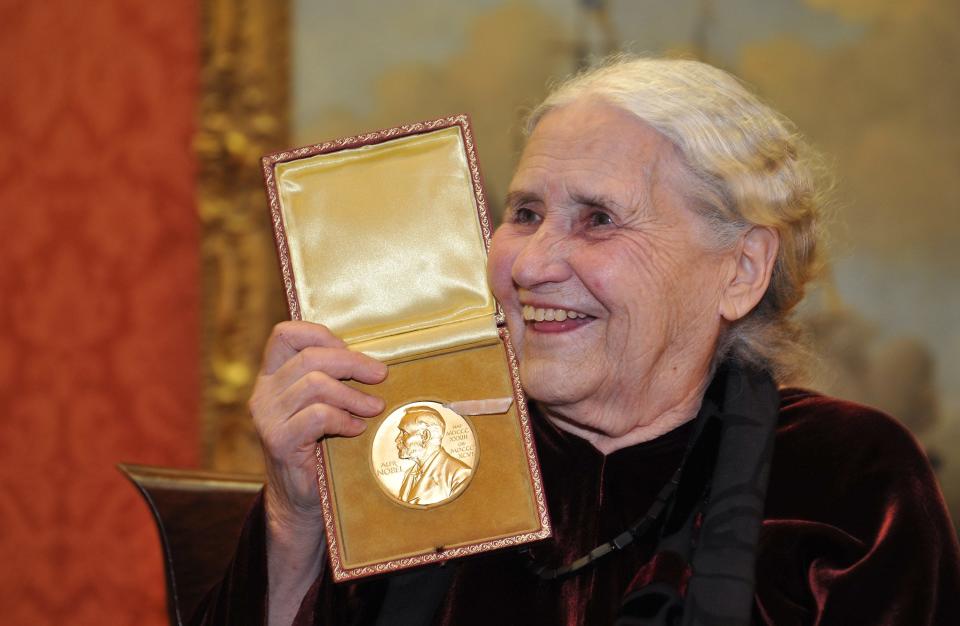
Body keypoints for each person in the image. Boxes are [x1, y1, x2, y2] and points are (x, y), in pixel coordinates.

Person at [192, 57, 960, 625]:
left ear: (741, 269)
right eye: (524, 214)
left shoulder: (845, 477)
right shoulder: (421, 450)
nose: (531, 264)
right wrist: (296, 522)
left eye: (597, 219)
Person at [394, 405, 472, 506]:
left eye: (404, 433)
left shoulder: (460, 476)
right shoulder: (409, 474)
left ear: (425, 436)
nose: (397, 439)